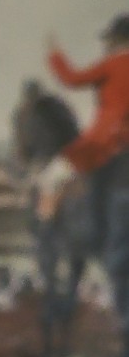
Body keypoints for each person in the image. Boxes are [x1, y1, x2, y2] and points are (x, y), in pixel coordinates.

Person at [37, 16, 129, 218]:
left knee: (52, 177)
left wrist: (54, 53)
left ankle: (46, 225)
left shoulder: (113, 63)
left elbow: (71, 79)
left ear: (119, 40)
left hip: (104, 140)